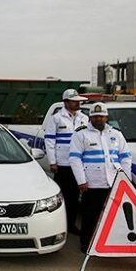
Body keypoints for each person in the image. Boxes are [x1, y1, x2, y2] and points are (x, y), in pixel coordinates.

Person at [69, 102, 132, 253]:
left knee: (113, 215)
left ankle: (111, 242)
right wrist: (81, 180)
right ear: (90, 117)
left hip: (114, 182)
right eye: (95, 116)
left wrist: (125, 180)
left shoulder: (116, 134)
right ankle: (86, 243)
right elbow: (74, 158)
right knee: (90, 215)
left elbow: (126, 157)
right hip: (92, 183)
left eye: (101, 116)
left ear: (106, 117)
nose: (99, 119)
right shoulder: (81, 134)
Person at [44, 88, 89, 234]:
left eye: (78, 101)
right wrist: (53, 161)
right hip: (62, 164)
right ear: (66, 102)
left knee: (75, 196)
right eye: (74, 101)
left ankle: (71, 225)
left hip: (78, 163)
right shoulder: (56, 118)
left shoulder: (84, 118)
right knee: (62, 196)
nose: (78, 104)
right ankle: (58, 224)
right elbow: (50, 141)